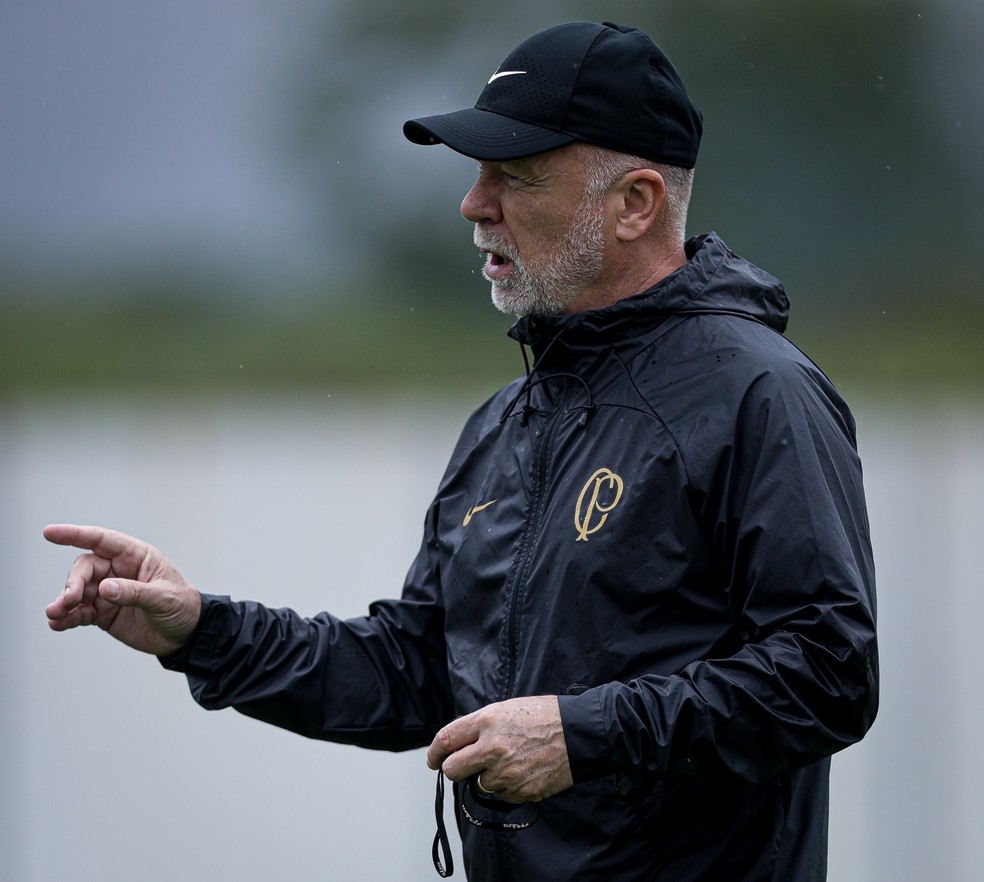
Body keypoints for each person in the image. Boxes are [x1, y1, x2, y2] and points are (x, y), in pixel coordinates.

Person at [44, 20, 878, 882]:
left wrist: (583, 734)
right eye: (478, 175)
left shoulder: (758, 392)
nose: (474, 205)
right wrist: (204, 631)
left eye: (515, 177)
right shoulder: (504, 420)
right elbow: (412, 673)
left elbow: (827, 673)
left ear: (635, 204)